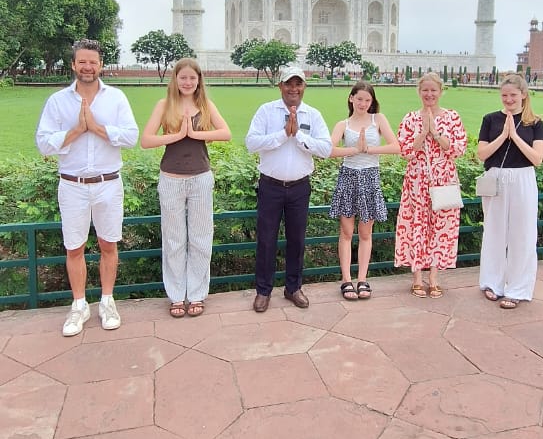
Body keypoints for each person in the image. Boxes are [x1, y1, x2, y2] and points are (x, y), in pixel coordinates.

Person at [35, 39, 139, 336]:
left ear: (101, 65)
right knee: (74, 247)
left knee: (108, 244)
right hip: (72, 184)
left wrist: (97, 128)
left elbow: (131, 136)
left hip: (107, 182)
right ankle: (79, 305)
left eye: (93, 62)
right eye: (82, 61)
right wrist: (77, 131)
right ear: (73, 64)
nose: (88, 67)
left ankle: (107, 301)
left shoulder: (115, 98)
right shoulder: (58, 101)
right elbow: (43, 143)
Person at [140, 58, 231, 317]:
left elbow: (225, 133)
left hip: (200, 178)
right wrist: (177, 135)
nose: (188, 82)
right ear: (175, 80)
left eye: (192, 78)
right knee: (174, 239)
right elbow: (146, 140)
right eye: (183, 78)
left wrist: (195, 134)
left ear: (199, 80)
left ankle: (197, 294)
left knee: (201, 237)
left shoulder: (205, 105)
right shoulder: (164, 105)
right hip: (171, 179)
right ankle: (177, 295)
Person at [245, 62, 332, 312]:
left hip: (299, 187)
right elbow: (251, 142)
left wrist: (299, 137)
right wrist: (283, 135)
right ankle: (263, 290)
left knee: (297, 240)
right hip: (271, 186)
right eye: (289, 83)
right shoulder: (266, 111)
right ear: (280, 85)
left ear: (304, 86)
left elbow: (326, 149)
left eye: (298, 83)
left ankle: (293, 287)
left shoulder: (312, 115)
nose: (293, 88)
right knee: (266, 240)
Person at [394, 72, 467, 296]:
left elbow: (458, 149)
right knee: (416, 225)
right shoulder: (410, 118)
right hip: (416, 182)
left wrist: (435, 133)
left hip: (443, 179)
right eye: (425, 90)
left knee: (441, 227)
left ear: (441, 91)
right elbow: (404, 151)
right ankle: (417, 276)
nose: (429, 94)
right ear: (419, 91)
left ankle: (434, 276)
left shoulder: (452, 117)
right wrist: (423, 132)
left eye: (433, 90)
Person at [477, 72, 543, 309]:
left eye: (513, 95)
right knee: (494, 231)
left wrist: (515, 136)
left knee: (522, 234)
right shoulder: (490, 119)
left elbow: (537, 158)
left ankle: (517, 288)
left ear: (523, 95)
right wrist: (503, 136)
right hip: (496, 177)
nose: (508, 99)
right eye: (504, 95)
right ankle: (492, 283)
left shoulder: (534, 122)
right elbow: (482, 154)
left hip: (523, 179)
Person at [329, 81, 400, 300]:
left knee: (366, 233)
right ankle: (346, 280)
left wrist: (368, 149)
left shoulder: (378, 119)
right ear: (351, 98)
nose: (363, 103)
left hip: (370, 177)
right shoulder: (343, 124)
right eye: (359, 99)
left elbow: (395, 146)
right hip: (348, 177)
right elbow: (329, 150)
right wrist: (354, 150)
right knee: (347, 232)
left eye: (367, 100)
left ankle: (362, 278)